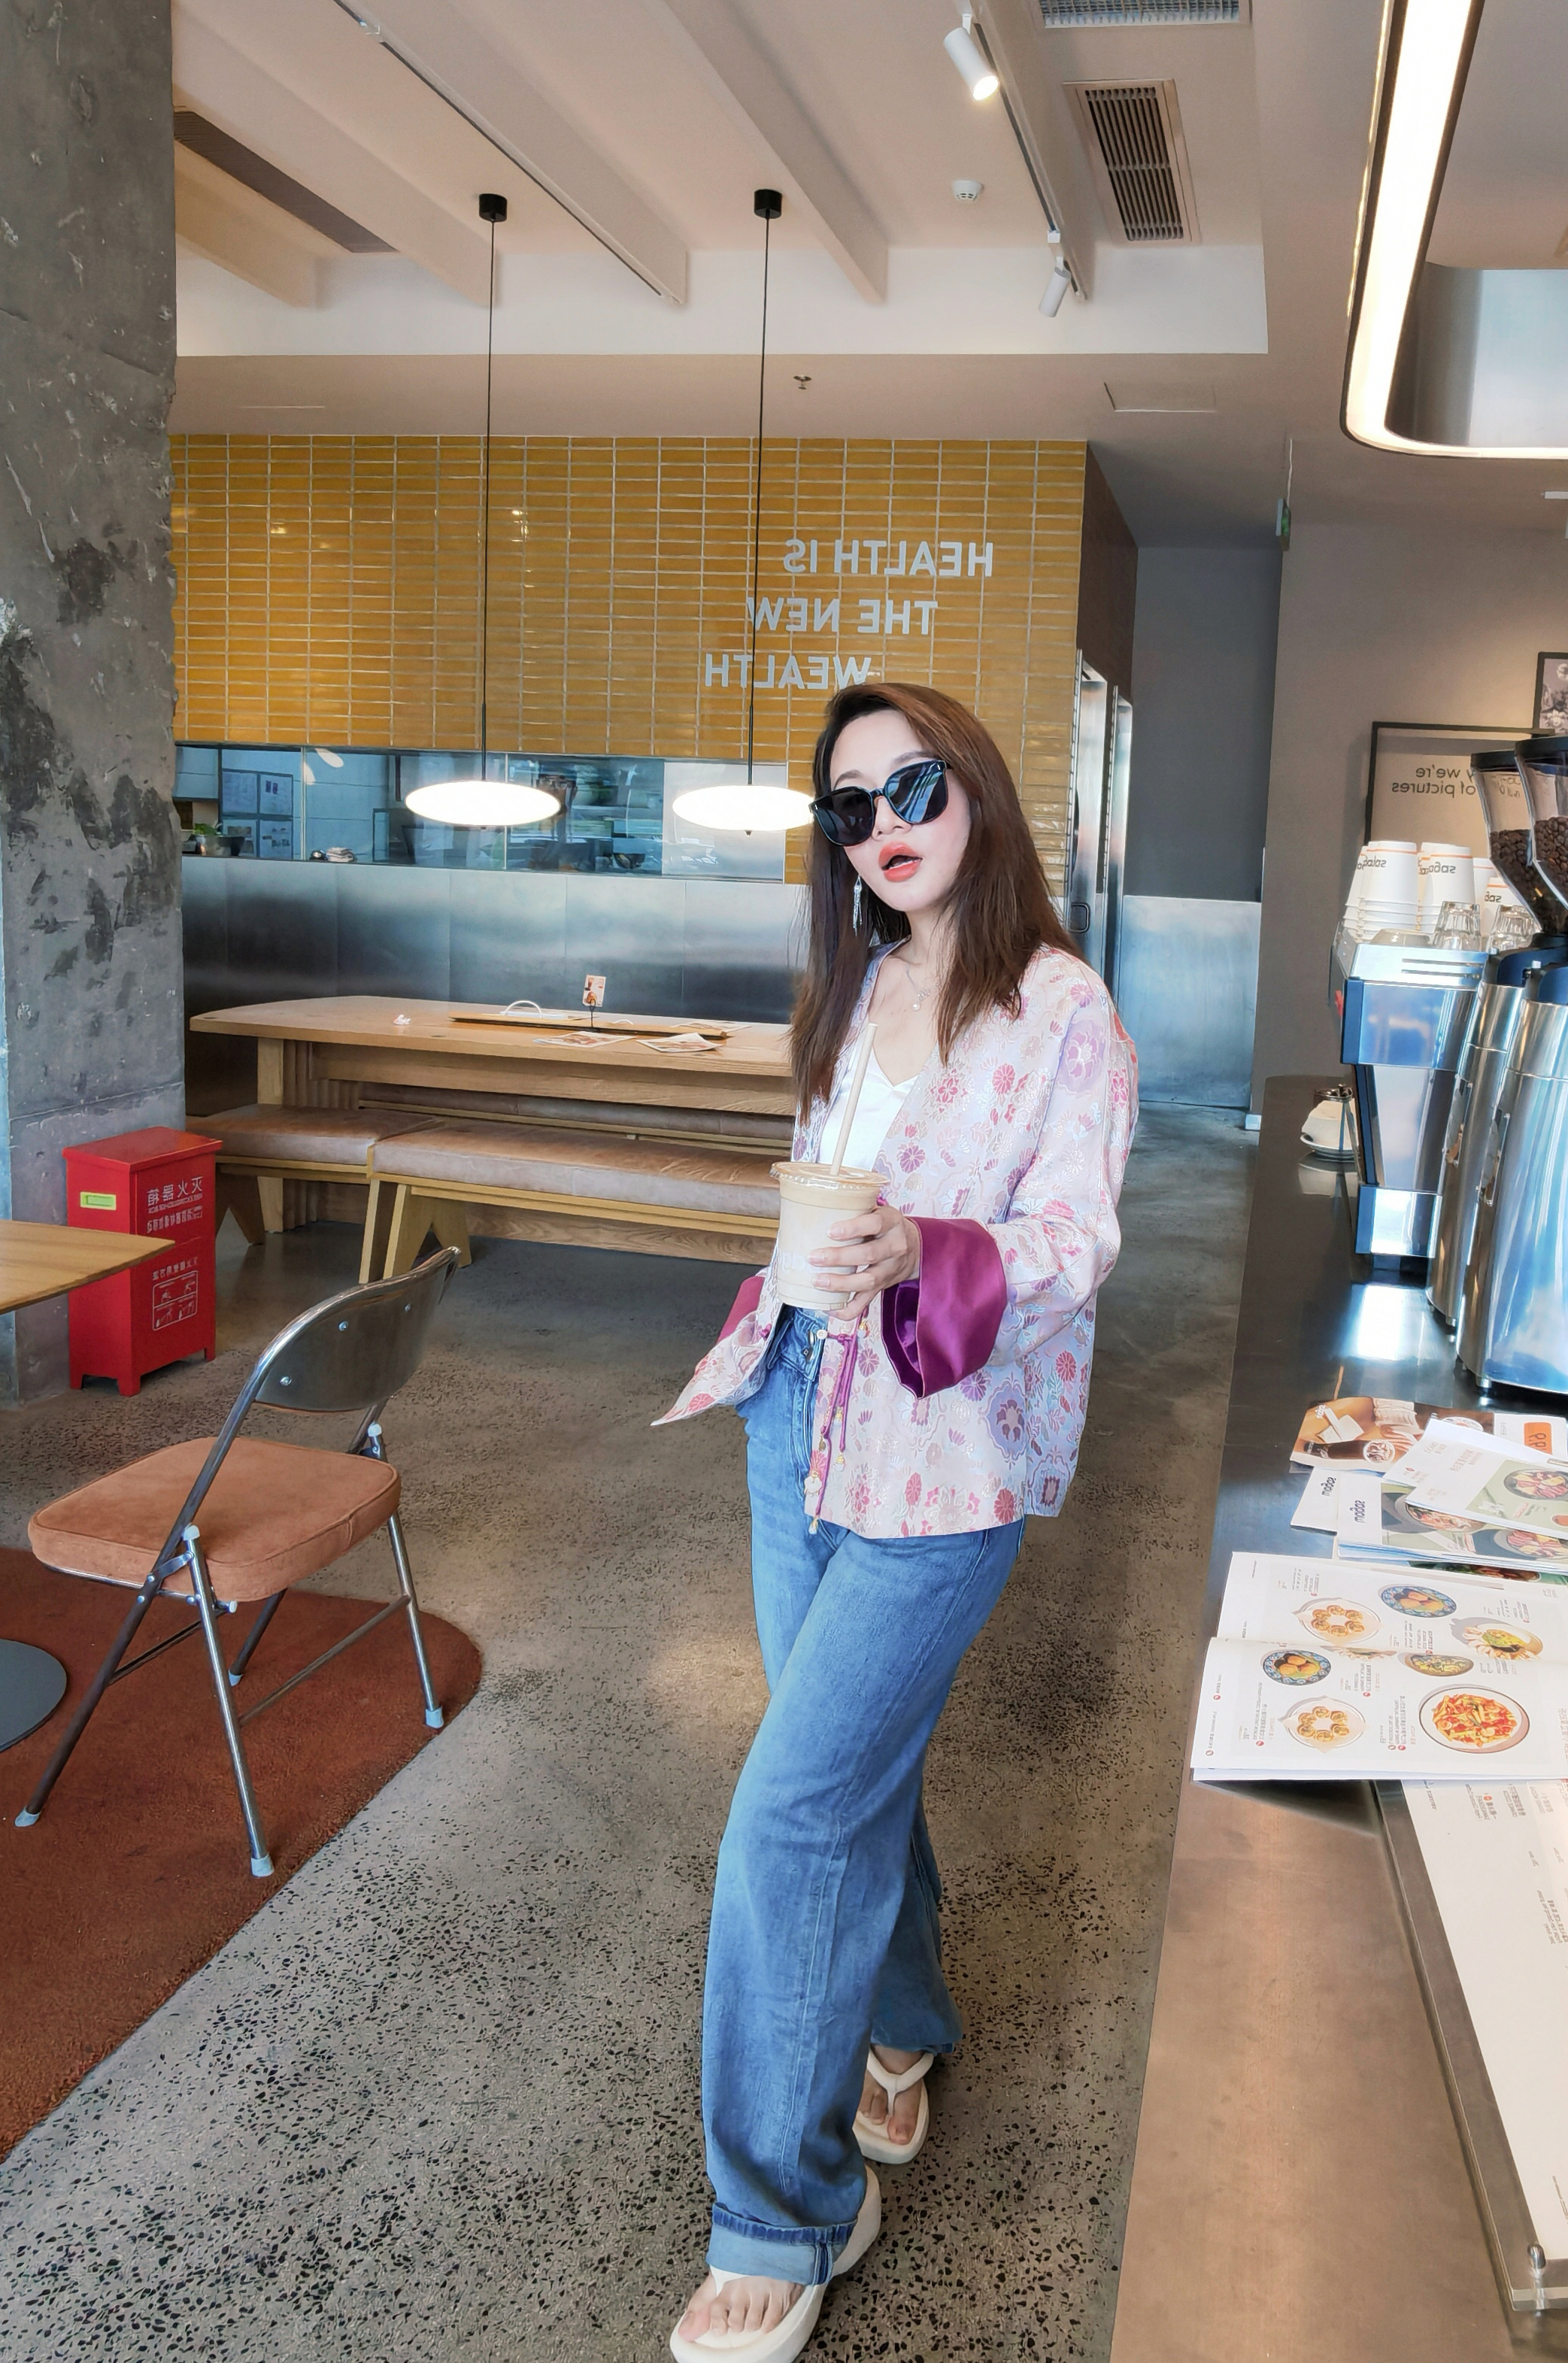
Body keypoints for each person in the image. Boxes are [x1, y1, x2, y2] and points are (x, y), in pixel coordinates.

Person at [661, 681, 1137, 2361]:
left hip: (943, 1458)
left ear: (975, 791)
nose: (884, 828)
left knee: (788, 1813)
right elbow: (825, 1185)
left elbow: (1074, 1240)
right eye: (849, 807)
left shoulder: (1061, 1007)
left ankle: (784, 2211)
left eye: (912, 786)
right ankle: (906, 2017)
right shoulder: (856, 979)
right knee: (851, 1762)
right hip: (795, 1405)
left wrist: (921, 1250)